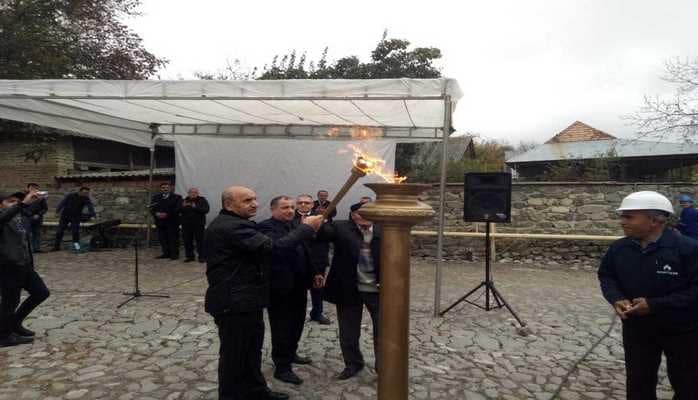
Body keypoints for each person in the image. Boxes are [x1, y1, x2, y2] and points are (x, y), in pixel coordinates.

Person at [204, 186, 324, 400]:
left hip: (248, 299)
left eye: (255, 199)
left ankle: (256, 391)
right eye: (247, 200)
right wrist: (306, 229)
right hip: (233, 302)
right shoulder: (231, 227)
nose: (254, 204)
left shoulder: (239, 223)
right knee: (235, 355)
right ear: (229, 204)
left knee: (251, 351)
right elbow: (274, 248)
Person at [598, 191, 698, 399]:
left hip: (683, 330)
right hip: (638, 328)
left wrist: (655, 305)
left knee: (687, 383)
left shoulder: (688, 249)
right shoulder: (619, 248)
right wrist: (616, 298)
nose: (622, 222)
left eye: (629, 217)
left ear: (655, 220)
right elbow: (607, 276)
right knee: (638, 383)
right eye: (622, 216)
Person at [258, 196, 325, 385]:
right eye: (284, 207)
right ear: (273, 209)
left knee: (297, 323)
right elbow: (279, 247)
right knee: (282, 326)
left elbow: (305, 251)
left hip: (299, 285)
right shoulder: (265, 227)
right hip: (279, 287)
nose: (289, 210)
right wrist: (304, 229)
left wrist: (315, 273)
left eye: (291, 207)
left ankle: (291, 352)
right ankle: (282, 367)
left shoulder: (295, 225)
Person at [317, 202, 381, 380]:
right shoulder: (340, 227)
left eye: (368, 211)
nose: (363, 215)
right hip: (348, 287)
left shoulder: (385, 229)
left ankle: (383, 367)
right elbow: (322, 235)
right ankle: (352, 364)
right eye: (359, 213)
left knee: (383, 330)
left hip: (377, 289)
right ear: (353, 215)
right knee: (348, 330)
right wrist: (320, 222)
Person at [0, 190, 51, 347]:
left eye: (16, 201)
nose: (14, 204)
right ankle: (3, 336)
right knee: (10, 302)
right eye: (10, 201)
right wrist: (22, 204)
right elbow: (6, 216)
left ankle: (14, 324)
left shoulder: (18, 218)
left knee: (41, 292)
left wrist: (37, 200)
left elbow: (30, 211)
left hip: (24, 264)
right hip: (8, 266)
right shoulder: (3, 218)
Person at [297, 194, 332, 325]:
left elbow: (328, 234)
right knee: (298, 287)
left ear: (312, 204)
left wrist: (324, 222)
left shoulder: (321, 216)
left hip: (317, 258)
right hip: (298, 258)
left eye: (307, 203)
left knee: (317, 288)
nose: (303, 205)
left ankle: (317, 313)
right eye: (300, 202)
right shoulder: (290, 217)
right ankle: (298, 313)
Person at [51, 186, 96, 251]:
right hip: (65, 216)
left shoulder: (86, 198)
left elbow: (90, 206)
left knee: (75, 232)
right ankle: (56, 247)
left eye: (87, 193)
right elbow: (62, 203)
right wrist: (57, 211)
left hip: (76, 217)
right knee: (59, 231)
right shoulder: (70, 195)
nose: (86, 194)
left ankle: (77, 247)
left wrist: (93, 215)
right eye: (84, 192)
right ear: (80, 191)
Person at [150, 182, 182, 260]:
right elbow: (152, 208)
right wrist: (156, 213)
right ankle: (166, 253)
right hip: (160, 222)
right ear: (161, 189)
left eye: (167, 187)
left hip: (172, 222)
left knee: (173, 239)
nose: (165, 189)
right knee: (162, 239)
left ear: (170, 188)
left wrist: (167, 214)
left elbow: (178, 208)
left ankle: (174, 255)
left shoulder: (177, 197)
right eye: (163, 187)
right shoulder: (156, 197)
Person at [180, 187, 210, 263]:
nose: (193, 194)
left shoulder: (202, 200)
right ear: (188, 193)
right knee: (187, 241)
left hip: (198, 224)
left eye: (195, 192)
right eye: (191, 192)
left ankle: (202, 257)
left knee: (200, 241)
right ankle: (190, 256)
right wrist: (182, 207)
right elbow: (178, 211)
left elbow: (206, 210)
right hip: (186, 225)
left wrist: (195, 207)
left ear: (197, 193)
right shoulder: (184, 200)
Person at [24, 183, 48, 252]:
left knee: (37, 233)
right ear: (28, 188)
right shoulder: (25, 197)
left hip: (38, 218)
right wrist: (30, 214)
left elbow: (45, 208)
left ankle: (37, 248)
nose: (34, 189)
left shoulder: (41, 198)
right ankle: (28, 248)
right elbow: (22, 207)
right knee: (27, 233)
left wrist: (38, 214)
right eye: (32, 188)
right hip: (27, 217)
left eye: (36, 188)